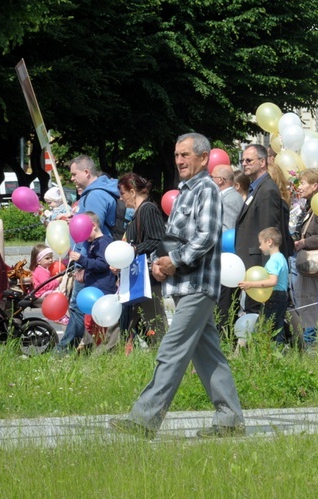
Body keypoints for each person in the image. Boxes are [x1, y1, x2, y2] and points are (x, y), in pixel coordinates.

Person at [110, 132, 245, 439]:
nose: (180, 160)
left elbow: (207, 236)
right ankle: (230, 420)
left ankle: (144, 420)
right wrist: (162, 264)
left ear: (203, 158)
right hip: (184, 285)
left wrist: (174, 261)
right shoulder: (185, 192)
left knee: (170, 350)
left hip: (198, 285)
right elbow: (177, 240)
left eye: (186, 155)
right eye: (177, 155)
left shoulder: (206, 190)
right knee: (209, 355)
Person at [57, 155, 119, 350]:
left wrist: (82, 263)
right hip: (89, 259)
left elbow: (91, 231)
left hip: (89, 260)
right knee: (81, 308)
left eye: (74, 174)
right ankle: (80, 348)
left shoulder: (95, 195)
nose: (72, 178)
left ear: (86, 172)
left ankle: (64, 351)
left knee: (76, 307)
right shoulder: (95, 193)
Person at [234, 144, 293, 314]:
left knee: (259, 312)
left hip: (259, 264)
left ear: (262, 162)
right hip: (251, 263)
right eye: (242, 160)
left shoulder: (267, 190)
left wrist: (266, 271)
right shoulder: (256, 188)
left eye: (249, 160)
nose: (244, 163)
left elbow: (269, 233)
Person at [114, 173, 167, 350]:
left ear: (132, 191)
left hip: (148, 278)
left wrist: (133, 250)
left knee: (155, 323)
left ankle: (164, 356)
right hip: (138, 277)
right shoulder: (139, 212)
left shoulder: (147, 209)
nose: (121, 199)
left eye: (122, 194)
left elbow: (157, 240)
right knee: (134, 324)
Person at [293, 169, 318, 346]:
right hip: (309, 264)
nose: (299, 187)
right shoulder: (309, 206)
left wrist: (303, 242)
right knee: (308, 303)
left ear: (314, 186)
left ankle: (315, 341)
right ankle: (312, 341)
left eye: (302, 183)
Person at [67, 212, 116, 351]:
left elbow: (102, 264)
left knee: (96, 322)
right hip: (94, 287)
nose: (82, 236)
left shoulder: (103, 242)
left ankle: (103, 348)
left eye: (83, 231)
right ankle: (98, 348)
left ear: (93, 226)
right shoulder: (93, 243)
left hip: (102, 288)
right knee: (91, 322)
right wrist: (84, 272)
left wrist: (81, 259)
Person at [238, 228, 289, 345]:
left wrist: (250, 284)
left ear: (269, 241)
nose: (260, 247)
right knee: (278, 326)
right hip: (282, 296)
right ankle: (279, 351)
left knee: (264, 327)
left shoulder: (273, 261)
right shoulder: (281, 258)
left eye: (261, 243)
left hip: (274, 296)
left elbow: (272, 281)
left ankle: (264, 353)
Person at [212, 164, 245, 332]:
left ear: (220, 180)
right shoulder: (226, 197)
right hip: (224, 261)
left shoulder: (230, 199)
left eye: (212, 178)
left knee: (224, 305)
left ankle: (224, 340)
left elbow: (228, 231)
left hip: (227, 261)